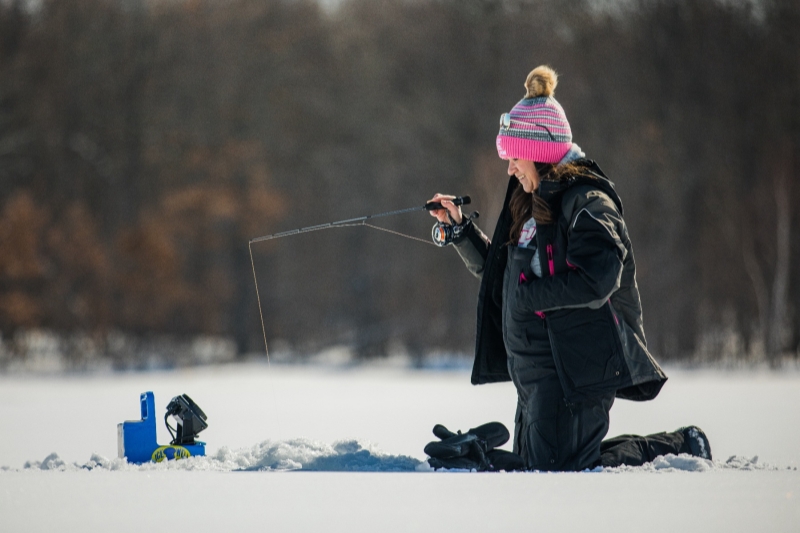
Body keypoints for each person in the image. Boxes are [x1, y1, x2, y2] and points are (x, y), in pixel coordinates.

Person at [427, 65, 711, 471]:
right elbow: (506, 278)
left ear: (540, 151)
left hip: (573, 372)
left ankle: (682, 445)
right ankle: (479, 452)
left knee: (560, 469)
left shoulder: (588, 201)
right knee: (541, 466)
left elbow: (599, 279)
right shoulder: (529, 201)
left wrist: (529, 299)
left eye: (514, 156)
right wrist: (460, 231)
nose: (509, 167)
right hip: (535, 373)